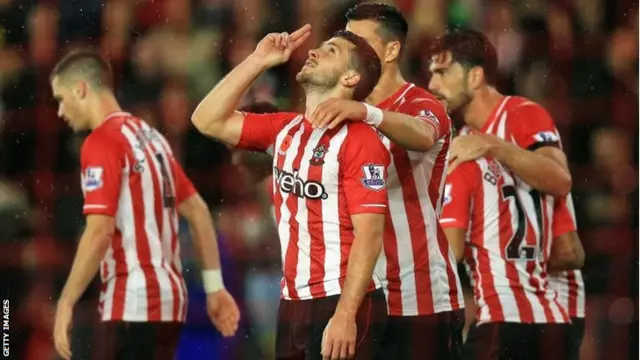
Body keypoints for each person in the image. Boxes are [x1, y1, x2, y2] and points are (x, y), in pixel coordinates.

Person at [192, 25, 390, 360]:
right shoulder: (285, 129)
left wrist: (344, 315)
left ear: (350, 78)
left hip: (342, 298)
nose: (313, 51)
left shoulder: (361, 140)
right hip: (293, 301)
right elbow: (206, 119)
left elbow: (370, 235)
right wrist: (258, 60)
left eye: (330, 51)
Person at [49, 50, 240, 360]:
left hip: (132, 300)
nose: (60, 111)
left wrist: (66, 301)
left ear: (80, 89)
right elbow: (200, 212)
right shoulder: (152, 138)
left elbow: (99, 233)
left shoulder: (100, 143)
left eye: (61, 98)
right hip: (171, 303)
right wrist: (215, 287)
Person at [307, 3, 465, 359]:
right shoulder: (338, 108)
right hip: (357, 298)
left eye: (362, 41)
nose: (353, 50)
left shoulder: (422, 104)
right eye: (347, 40)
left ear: (392, 50)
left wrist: (368, 112)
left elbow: (424, 135)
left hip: (420, 296)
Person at [428, 29, 585, 358]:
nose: (432, 85)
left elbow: (561, 185)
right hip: (530, 314)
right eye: (431, 73)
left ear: (475, 77)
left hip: (555, 305)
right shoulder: (464, 140)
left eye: (443, 72)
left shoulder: (520, 115)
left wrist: (494, 145)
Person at [439, 129, 579, 359]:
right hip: (554, 321)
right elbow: (571, 252)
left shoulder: (463, 167)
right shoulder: (541, 177)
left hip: (501, 318)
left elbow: (450, 252)